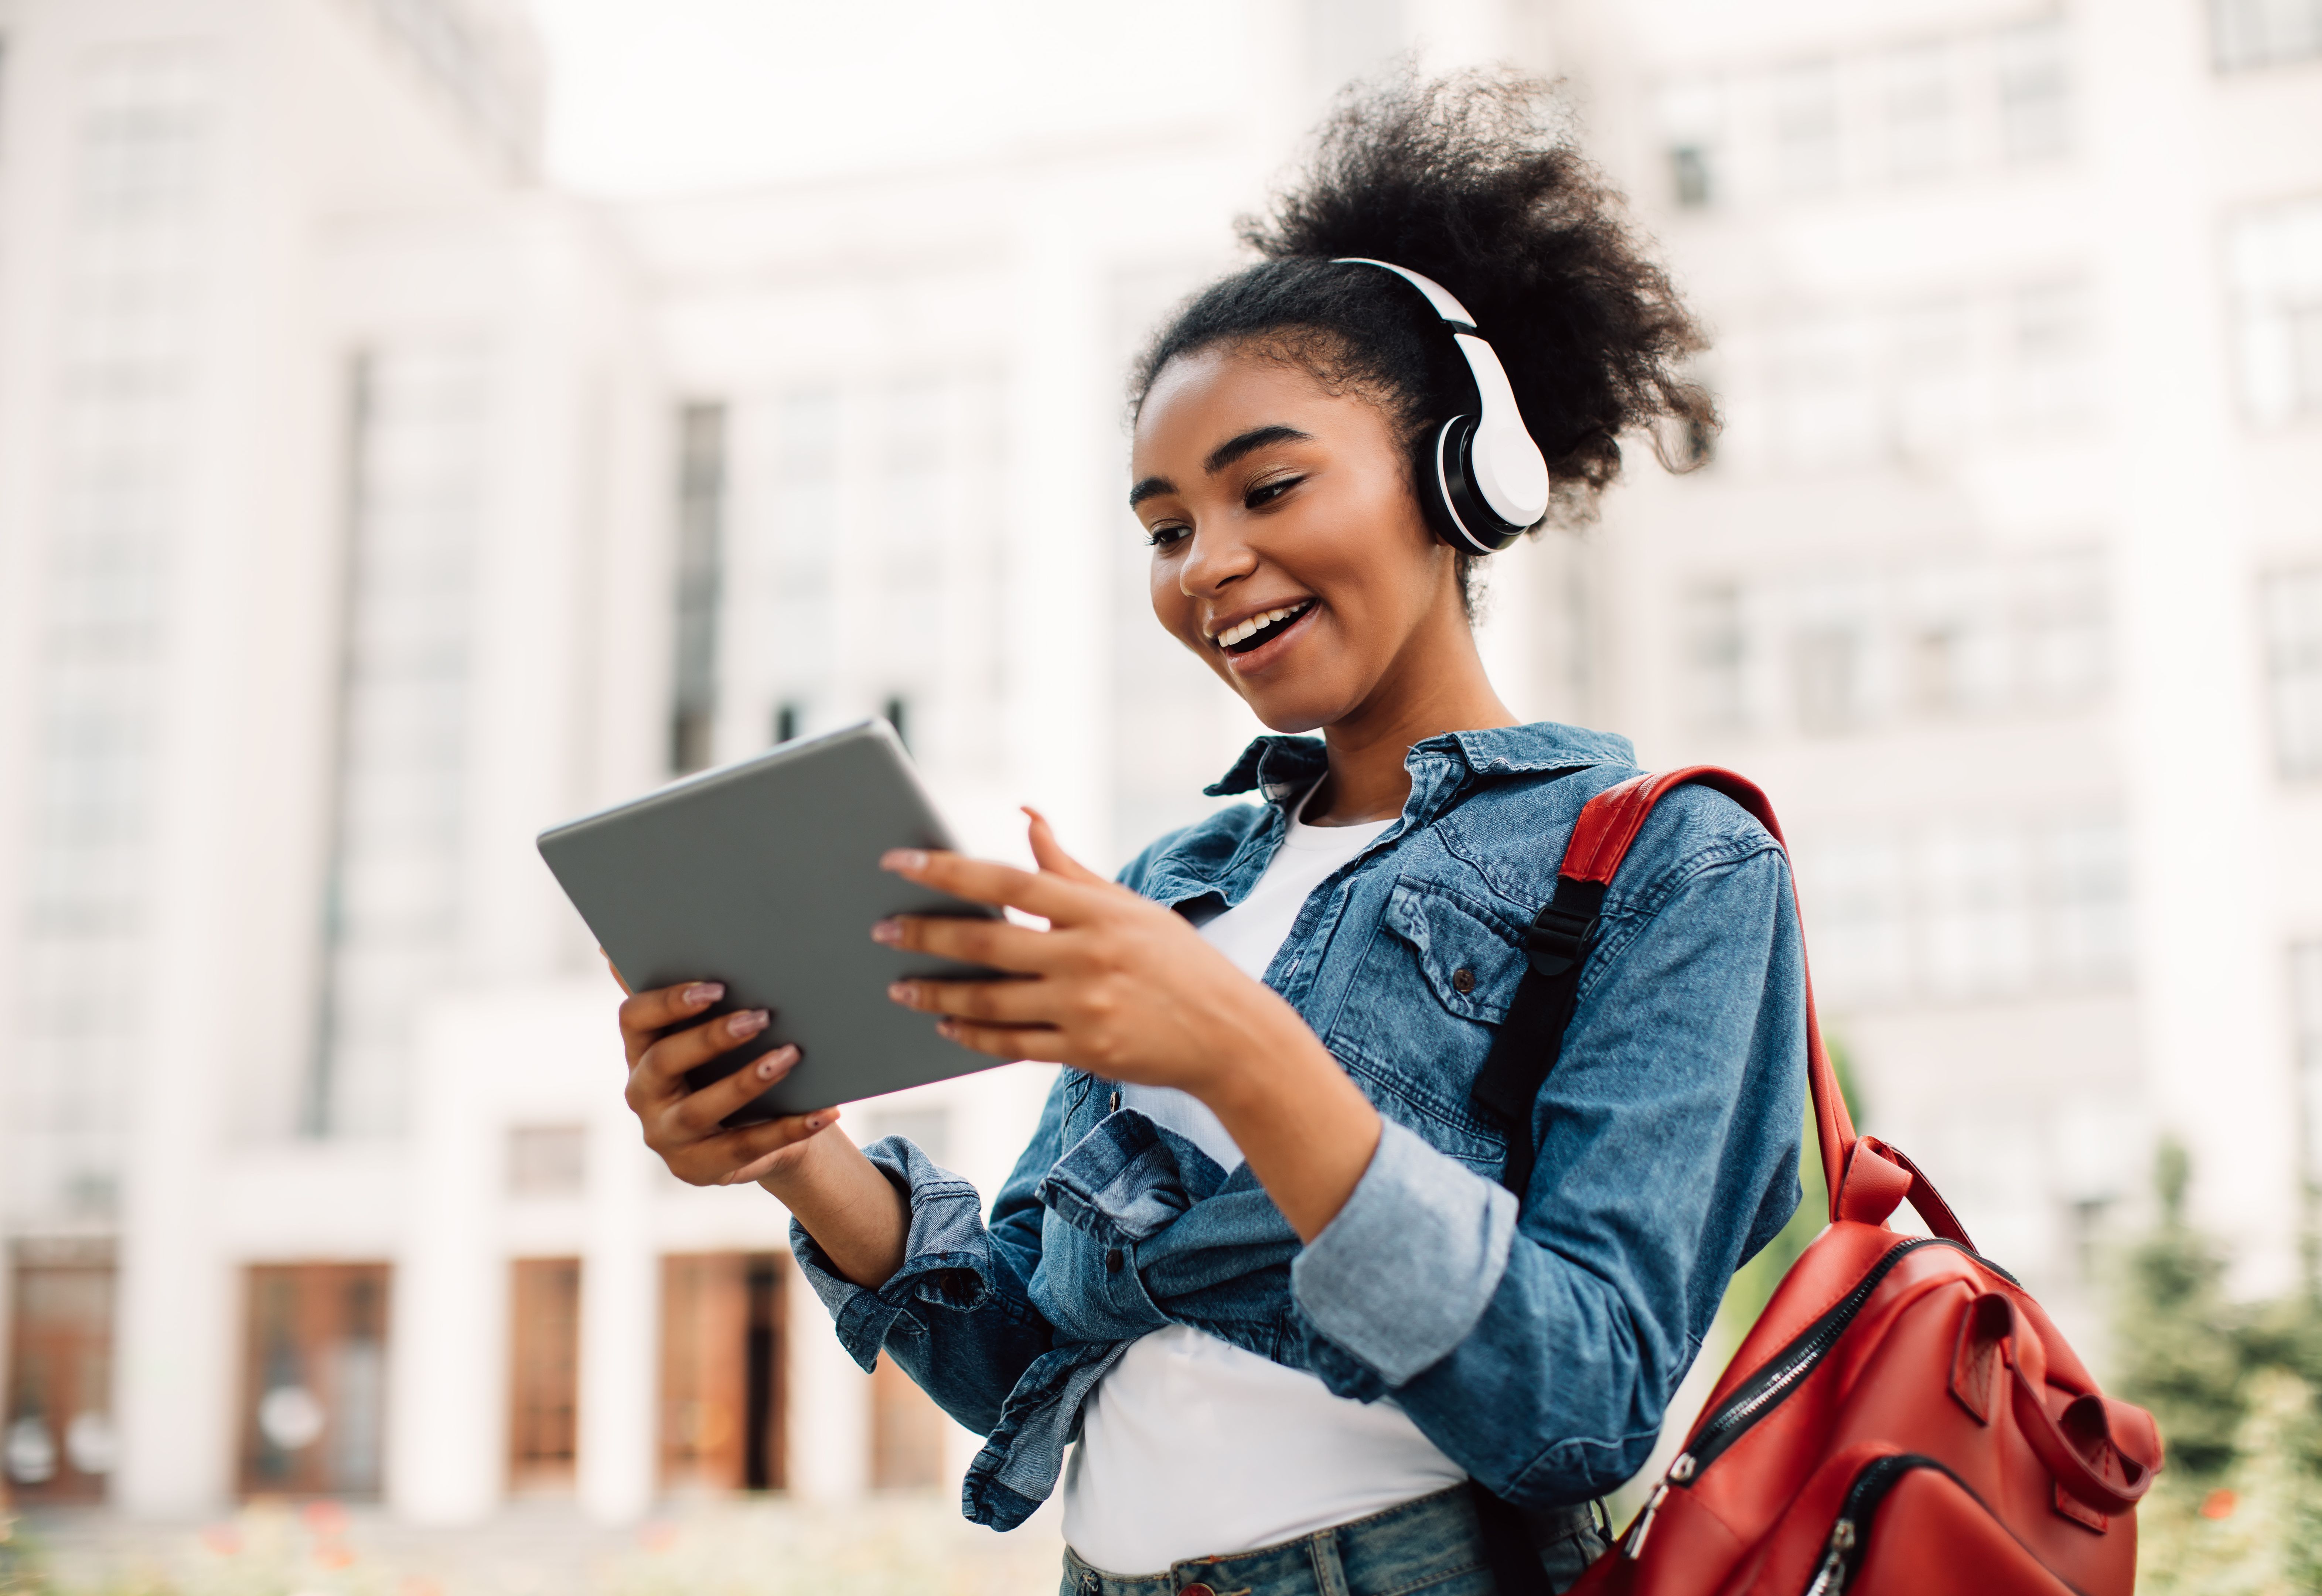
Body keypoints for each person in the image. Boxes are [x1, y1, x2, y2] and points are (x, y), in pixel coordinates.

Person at [617, 71, 1807, 1596]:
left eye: (1271, 487)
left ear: (1459, 475)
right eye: (1166, 527)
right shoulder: (1179, 890)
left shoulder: (1673, 863)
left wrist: (1240, 1055)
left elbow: (1580, 1409)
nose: (1210, 567)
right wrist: (798, 1155)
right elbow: (1028, 1366)